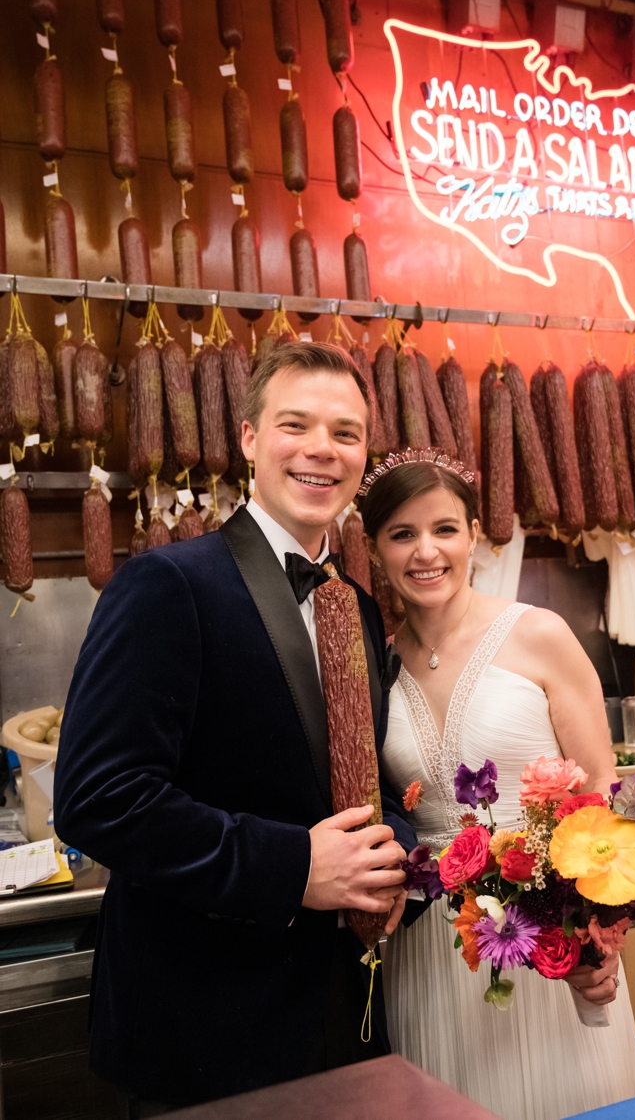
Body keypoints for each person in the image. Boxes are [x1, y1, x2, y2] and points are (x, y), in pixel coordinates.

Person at [54, 342, 415, 1112]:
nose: (322, 449)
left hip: (340, 1018)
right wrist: (293, 868)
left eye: (345, 433)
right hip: (204, 1032)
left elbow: (365, 780)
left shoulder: (357, 602)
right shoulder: (167, 583)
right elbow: (98, 799)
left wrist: (397, 860)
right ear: (249, 439)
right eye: (296, 424)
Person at [364, 452, 635, 1120]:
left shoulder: (539, 635)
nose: (425, 552)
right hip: (432, 955)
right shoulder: (374, 668)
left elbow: (606, 799)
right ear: (375, 549)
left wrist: (596, 936)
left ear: (475, 536)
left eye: (444, 529)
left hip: (548, 943)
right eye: (402, 534)